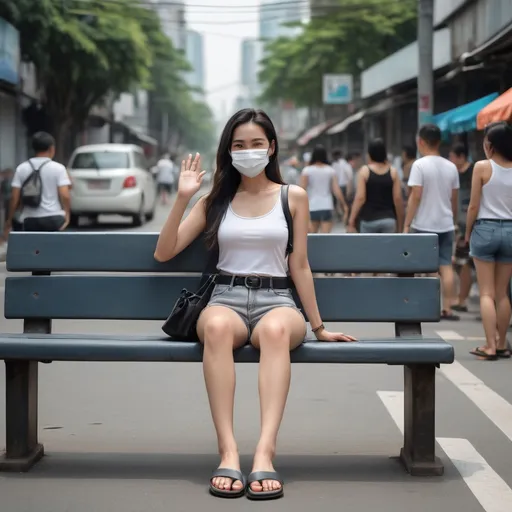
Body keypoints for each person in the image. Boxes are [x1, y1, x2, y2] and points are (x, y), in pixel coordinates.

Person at [154, 108, 356, 499]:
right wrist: (182, 199)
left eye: (256, 144)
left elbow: (300, 265)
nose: (248, 152)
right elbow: (165, 252)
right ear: (228, 152)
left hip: (278, 299)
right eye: (239, 145)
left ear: (272, 147)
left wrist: (319, 327)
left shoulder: (292, 197)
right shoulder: (214, 200)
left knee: (278, 331)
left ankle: (265, 452)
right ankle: (228, 451)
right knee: (214, 328)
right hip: (224, 299)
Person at [465, 121, 512, 360]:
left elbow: (473, 205)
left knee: (486, 293)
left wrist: (467, 232)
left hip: (485, 229)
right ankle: (502, 343)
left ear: (490, 145)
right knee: (502, 293)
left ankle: (489, 346)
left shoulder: (482, 167)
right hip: (510, 232)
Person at [404, 124, 460, 321]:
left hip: (423, 225)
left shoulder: (419, 165)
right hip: (446, 224)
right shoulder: (451, 166)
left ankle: (428, 307)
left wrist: (406, 223)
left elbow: (415, 197)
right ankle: (448, 308)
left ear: (421, 141)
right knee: (446, 266)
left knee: (424, 267)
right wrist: (453, 220)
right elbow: (454, 199)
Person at [3, 132, 71, 236]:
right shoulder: (59, 168)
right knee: (55, 249)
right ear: (52, 149)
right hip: (53, 219)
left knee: (33, 250)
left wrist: (9, 220)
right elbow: (65, 195)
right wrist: (67, 214)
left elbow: (14, 198)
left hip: (29, 219)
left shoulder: (21, 168)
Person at [348, 138, 404, 234]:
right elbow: (398, 199)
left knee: (368, 249)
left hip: (368, 220)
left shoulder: (364, 171)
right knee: (387, 249)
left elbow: (360, 198)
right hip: (388, 220)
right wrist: (400, 223)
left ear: (369, 154)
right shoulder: (393, 172)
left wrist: (351, 220)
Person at [449, 143, 475, 312]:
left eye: (452, 156)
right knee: (461, 263)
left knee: (464, 263)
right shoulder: (456, 173)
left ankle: (462, 299)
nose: (451, 160)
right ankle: (461, 297)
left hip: (470, 223)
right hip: (461, 222)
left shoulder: (473, 171)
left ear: (460, 156)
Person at [299, 145, 348, 233]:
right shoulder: (330, 170)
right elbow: (336, 190)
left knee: (312, 238)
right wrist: (343, 204)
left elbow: (301, 190)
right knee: (326, 238)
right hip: (327, 206)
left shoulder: (307, 170)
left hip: (312, 207)